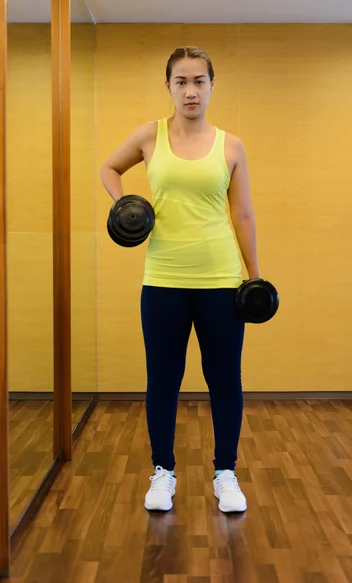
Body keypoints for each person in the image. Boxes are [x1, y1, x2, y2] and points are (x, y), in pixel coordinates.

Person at [100, 46, 259, 513]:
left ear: (212, 85)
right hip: (164, 277)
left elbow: (243, 212)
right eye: (181, 82)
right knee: (163, 378)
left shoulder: (232, 145)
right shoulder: (150, 137)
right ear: (168, 87)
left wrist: (256, 277)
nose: (190, 90)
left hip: (222, 281)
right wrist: (123, 206)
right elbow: (110, 168)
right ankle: (163, 472)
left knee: (224, 379)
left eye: (198, 81)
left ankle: (225, 472)